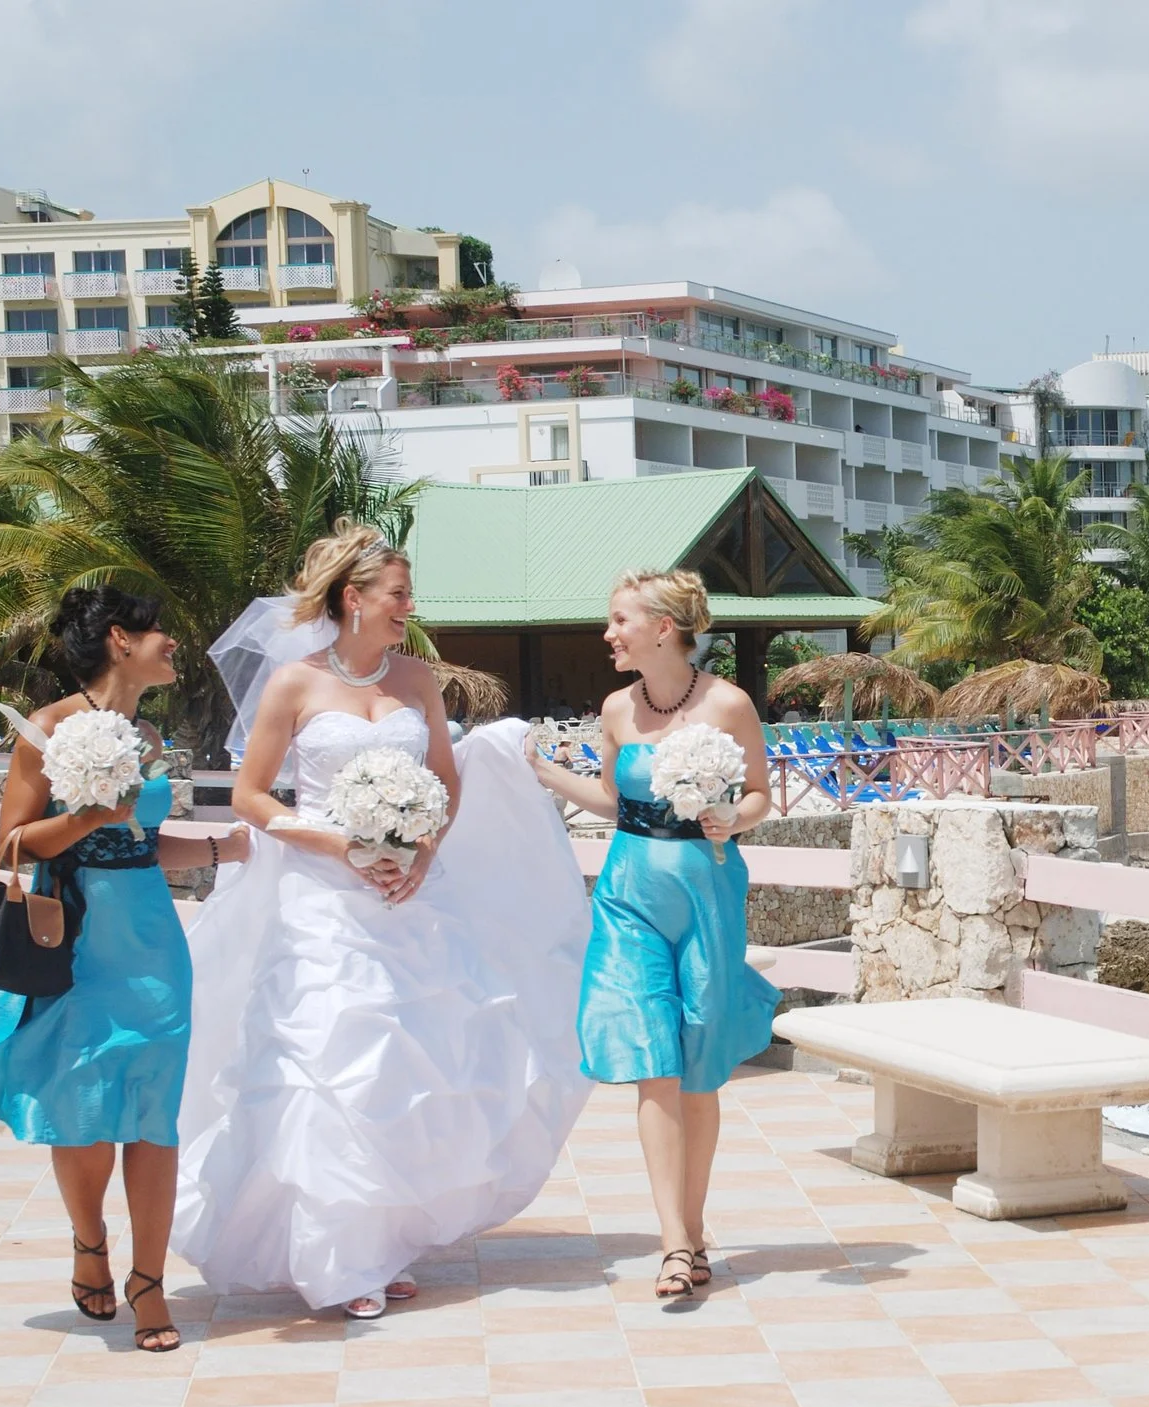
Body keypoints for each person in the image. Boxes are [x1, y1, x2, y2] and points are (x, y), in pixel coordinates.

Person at [173, 522, 594, 1320]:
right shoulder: (294, 684)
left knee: (410, 1068)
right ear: (353, 598)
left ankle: (386, 1241)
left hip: (411, 900)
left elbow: (444, 779)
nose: (409, 607)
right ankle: (339, 1257)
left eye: (409, 594)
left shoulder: (417, 679)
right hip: (321, 901)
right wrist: (339, 843)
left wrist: (423, 850)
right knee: (337, 1061)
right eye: (398, 594)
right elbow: (253, 797)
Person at [0, 587, 249, 1353]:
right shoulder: (48, 728)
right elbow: (12, 843)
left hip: (154, 947)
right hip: (76, 941)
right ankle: (89, 1241)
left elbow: (142, 843)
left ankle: (149, 1282)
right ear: (119, 640)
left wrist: (222, 848)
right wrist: (88, 815)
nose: (172, 642)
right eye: (158, 630)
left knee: (155, 1114)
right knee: (85, 1109)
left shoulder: (148, 735)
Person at [529, 571, 780, 1300]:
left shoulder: (728, 704)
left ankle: (693, 1232)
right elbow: (613, 801)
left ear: (663, 629)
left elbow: (760, 794)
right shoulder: (616, 708)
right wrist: (543, 772)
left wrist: (733, 817)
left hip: (706, 897)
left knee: (697, 1069)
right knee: (652, 1061)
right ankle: (673, 1243)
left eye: (619, 621)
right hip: (628, 898)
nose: (608, 634)